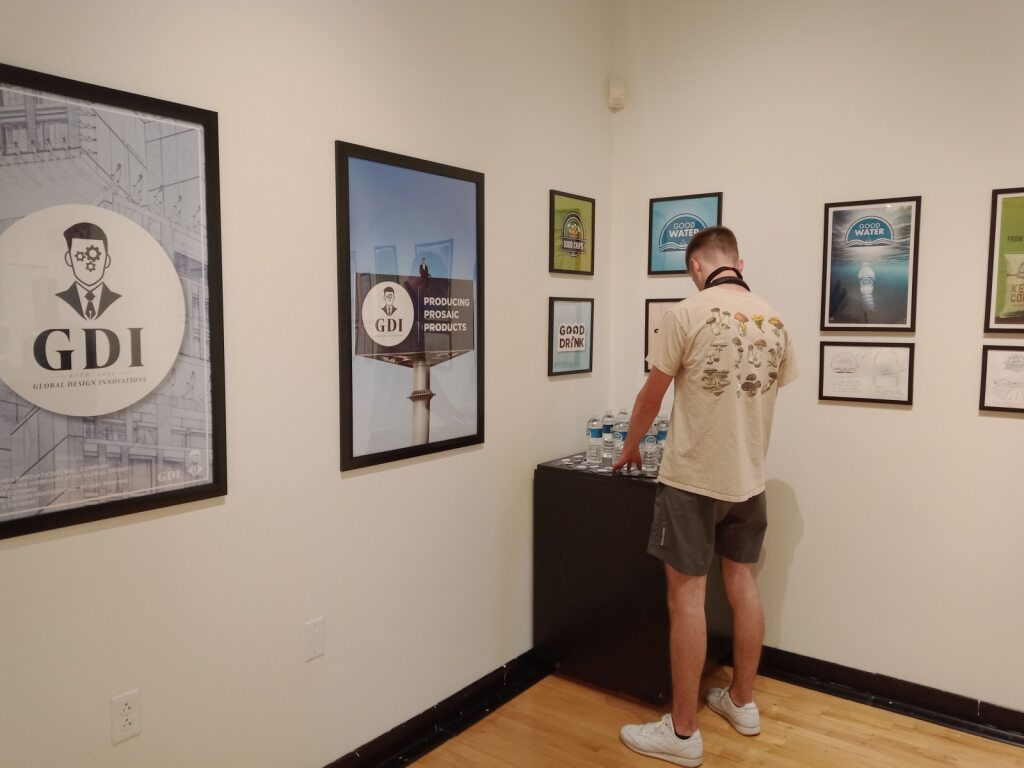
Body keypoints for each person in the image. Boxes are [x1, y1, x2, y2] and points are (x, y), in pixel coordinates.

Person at [615, 226, 797, 767]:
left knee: (687, 598)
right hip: (750, 478)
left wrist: (629, 445)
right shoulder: (776, 319)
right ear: (738, 261)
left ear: (696, 267)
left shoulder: (686, 313)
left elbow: (653, 394)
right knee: (743, 585)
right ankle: (743, 703)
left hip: (693, 479)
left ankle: (684, 732)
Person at [55, 222, 121, 320]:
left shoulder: (120, 301)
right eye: (80, 255)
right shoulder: (57, 301)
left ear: (107, 260)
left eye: (95, 255)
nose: (89, 263)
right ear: (69, 259)